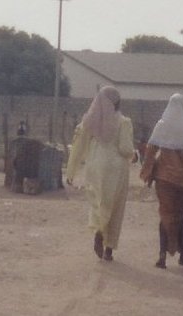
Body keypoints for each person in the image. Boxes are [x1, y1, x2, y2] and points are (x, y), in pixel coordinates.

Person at [66, 86, 135, 261]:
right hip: (116, 168)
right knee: (115, 206)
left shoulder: (89, 121)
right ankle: (109, 248)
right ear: (118, 102)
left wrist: (71, 170)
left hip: (95, 165)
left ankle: (98, 230)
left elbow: (78, 145)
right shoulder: (123, 122)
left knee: (98, 201)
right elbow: (125, 148)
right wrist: (134, 156)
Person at [140, 93, 183, 269]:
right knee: (181, 216)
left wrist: (147, 171)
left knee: (166, 215)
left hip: (164, 179)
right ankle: (182, 255)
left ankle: (162, 256)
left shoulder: (162, 124)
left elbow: (151, 150)